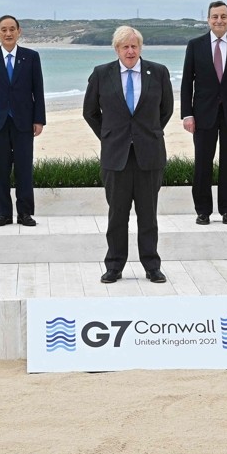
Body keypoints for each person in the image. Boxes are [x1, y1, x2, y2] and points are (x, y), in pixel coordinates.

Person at [83, 26, 174, 284]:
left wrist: (148, 132)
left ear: (140, 48)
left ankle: (152, 266)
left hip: (150, 155)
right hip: (116, 156)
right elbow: (90, 112)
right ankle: (114, 266)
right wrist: (109, 135)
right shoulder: (102, 74)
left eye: (134, 46)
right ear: (117, 49)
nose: (130, 51)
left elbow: (165, 110)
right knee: (117, 215)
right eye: (125, 47)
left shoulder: (158, 72)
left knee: (148, 215)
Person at [181, 0, 227, 225]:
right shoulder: (195, 45)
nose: (219, 21)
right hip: (203, 114)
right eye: (215, 17)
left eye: (223, 16)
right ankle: (203, 211)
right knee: (203, 163)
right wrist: (187, 114)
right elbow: (187, 83)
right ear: (208, 20)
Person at [0, 15, 46, 227]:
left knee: (24, 168)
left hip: (23, 121)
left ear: (19, 31)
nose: (8, 33)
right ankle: (3, 214)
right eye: (3, 29)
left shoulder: (31, 57)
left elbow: (38, 90)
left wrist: (39, 119)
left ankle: (25, 213)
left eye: (12, 29)